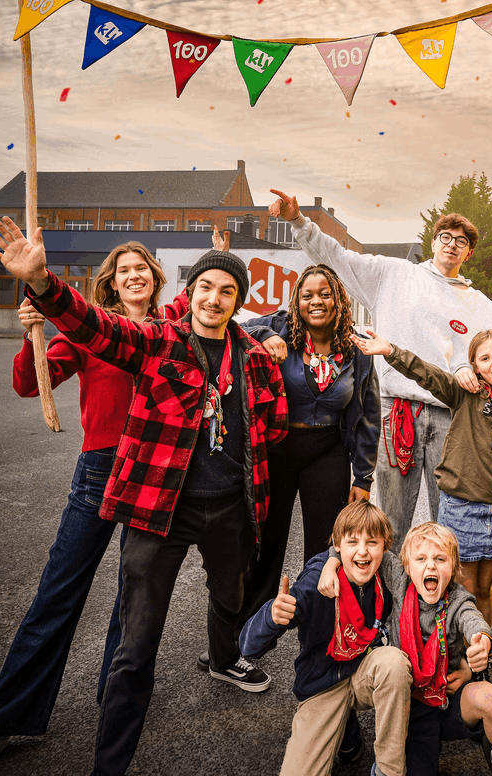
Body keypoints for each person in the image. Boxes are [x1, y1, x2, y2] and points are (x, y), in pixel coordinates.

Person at [0, 217, 289, 776]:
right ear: (187, 292)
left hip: (215, 504)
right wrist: (43, 286)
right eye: (204, 287)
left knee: (199, 603)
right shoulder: (153, 339)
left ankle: (187, 670)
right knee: (105, 624)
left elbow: (274, 427)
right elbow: (93, 329)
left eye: (227, 291)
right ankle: (66, 746)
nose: (214, 298)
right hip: (137, 488)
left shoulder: (237, 352)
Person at [0, 242, 174, 776]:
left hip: (157, 472)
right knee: (58, 595)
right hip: (100, 468)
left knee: (133, 600)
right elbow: (30, 384)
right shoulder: (89, 330)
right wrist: (31, 333)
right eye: (124, 271)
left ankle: (114, 704)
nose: (134, 275)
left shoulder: (175, 324)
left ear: (155, 276)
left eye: (142, 268)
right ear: (111, 283)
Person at [269, 189, 492, 541]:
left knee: (447, 521)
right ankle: (388, 595)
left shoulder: (477, 303)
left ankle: (441, 595)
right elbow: (337, 257)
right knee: (391, 524)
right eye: (445, 237)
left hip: (448, 415)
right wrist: (298, 221)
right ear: (433, 242)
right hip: (395, 410)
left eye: (461, 242)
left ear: (469, 252)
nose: (452, 245)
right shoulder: (394, 274)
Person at [202, 263, 380, 676]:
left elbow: (369, 414)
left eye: (325, 294)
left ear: (339, 300)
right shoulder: (280, 327)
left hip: (328, 452)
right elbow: (237, 326)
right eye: (307, 294)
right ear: (296, 301)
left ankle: (320, 645)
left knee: (325, 553)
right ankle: (239, 644)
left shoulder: (356, 350)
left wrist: (363, 478)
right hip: (277, 449)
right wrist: (269, 337)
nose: (315, 301)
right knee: (262, 546)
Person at [339, 326, 492, 652]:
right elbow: (428, 374)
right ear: (474, 366)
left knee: (485, 586)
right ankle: (461, 657)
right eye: (484, 358)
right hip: (463, 507)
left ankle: (482, 645)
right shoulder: (468, 394)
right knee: (463, 586)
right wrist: (390, 350)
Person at [239, 500, 412, 776]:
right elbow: (248, 647)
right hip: (322, 683)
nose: (363, 551)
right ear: (338, 545)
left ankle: (389, 771)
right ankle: (347, 732)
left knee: (394, 663)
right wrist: (270, 616)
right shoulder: (315, 583)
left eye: (372, 542)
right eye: (353, 541)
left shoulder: (388, 574)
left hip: (365, 673)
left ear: (385, 546)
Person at [392, 522, 492, 776]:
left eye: (440, 559)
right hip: (410, 711)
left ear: (453, 569)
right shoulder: (398, 582)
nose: (430, 565)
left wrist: (482, 639)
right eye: (421, 558)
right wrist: (331, 560)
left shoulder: (457, 599)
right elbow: (362, 548)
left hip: (448, 699)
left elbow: (473, 619)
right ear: (407, 566)